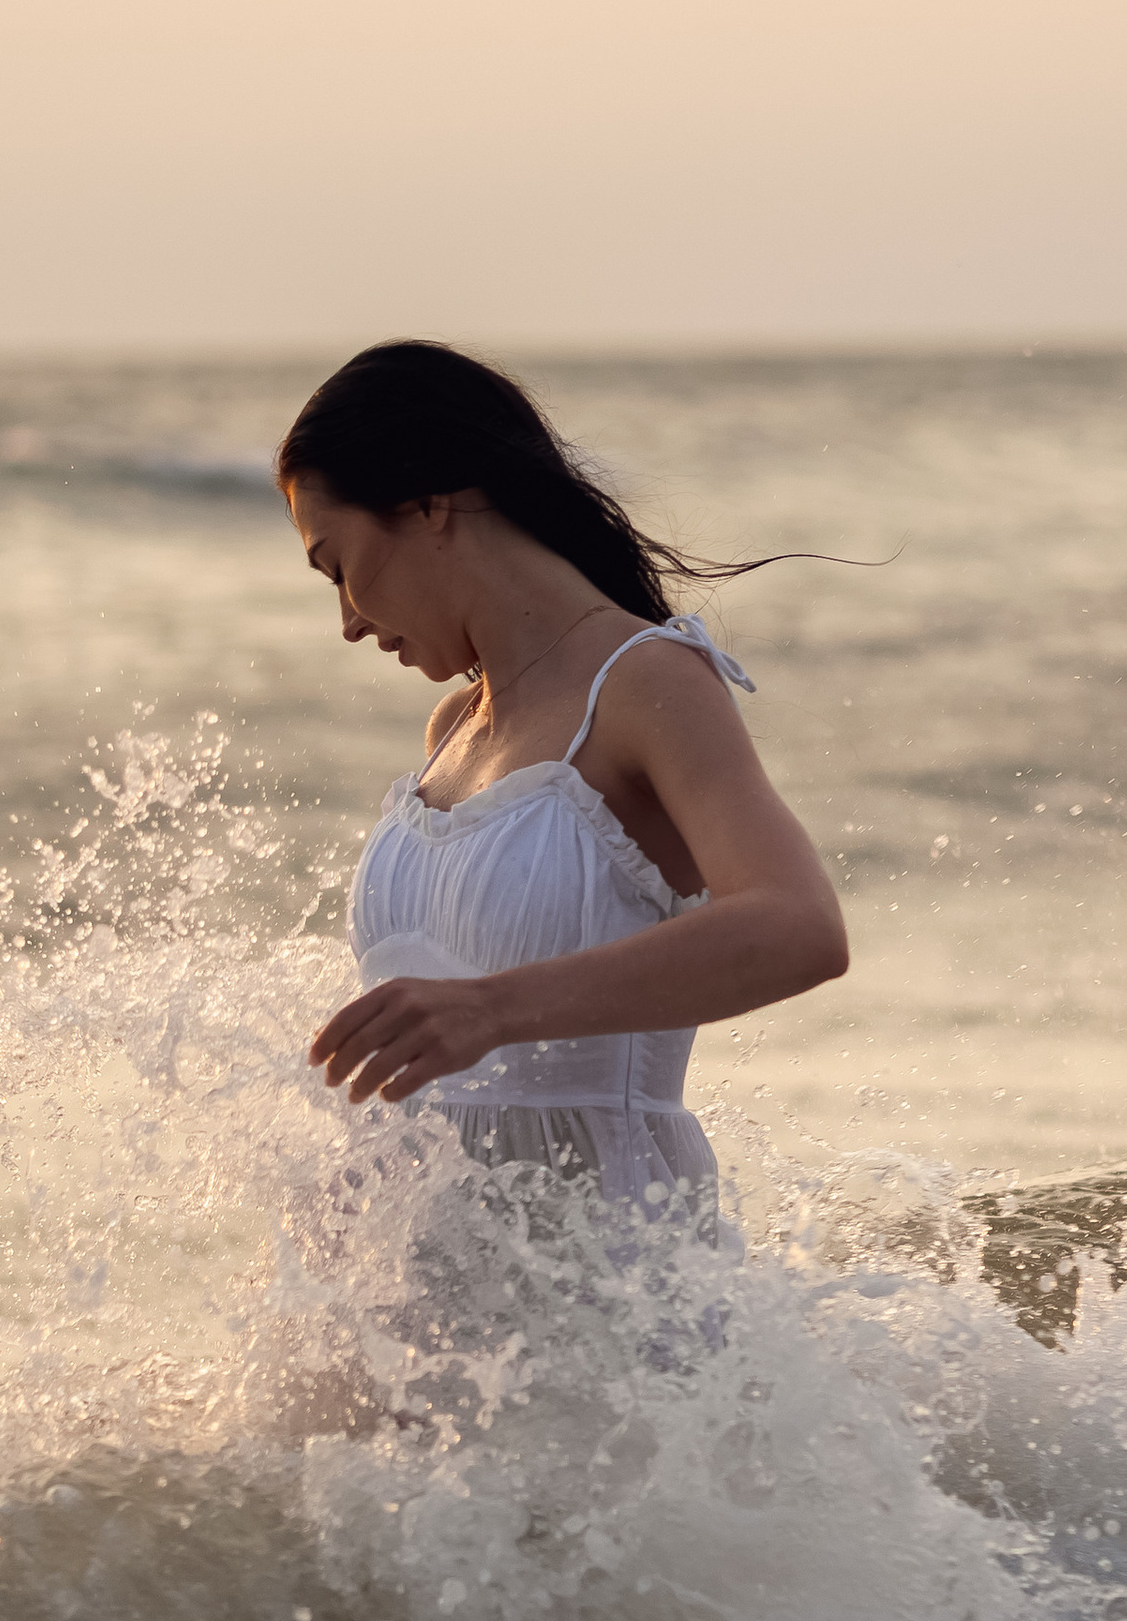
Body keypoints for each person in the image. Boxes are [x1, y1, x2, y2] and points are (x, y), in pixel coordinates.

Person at [278, 340, 847, 1212]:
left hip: (608, 1314)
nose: (349, 621)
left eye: (341, 570)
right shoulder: (453, 730)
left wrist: (493, 1011)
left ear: (429, 505)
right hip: (418, 1328)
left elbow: (798, 926)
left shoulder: (646, 682)